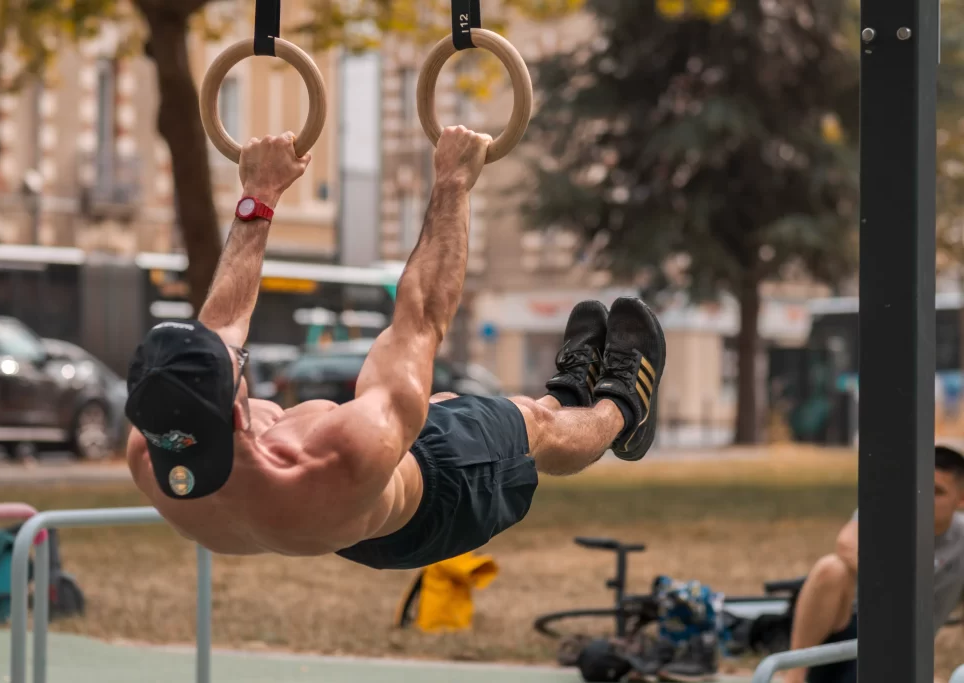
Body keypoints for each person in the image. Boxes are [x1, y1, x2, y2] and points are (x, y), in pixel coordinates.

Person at [123, 127, 667, 569]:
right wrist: (453, 182)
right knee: (531, 427)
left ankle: (566, 392)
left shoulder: (153, 449)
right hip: (439, 495)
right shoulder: (336, 455)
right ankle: (622, 410)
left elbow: (223, 319)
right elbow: (421, 319)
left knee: (453, 402)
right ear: (237, 412)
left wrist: (258, 195)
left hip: (348, 518)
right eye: (237, 368)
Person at [784, 443, 964, 683]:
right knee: (831, 569)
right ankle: (794, 676)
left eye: (938, 492)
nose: (926, 499)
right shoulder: (890, 511)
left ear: (961, 500)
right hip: (847, 633)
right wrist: (894, 582)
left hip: (903, 655)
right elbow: (846, 542)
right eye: (921, 488)